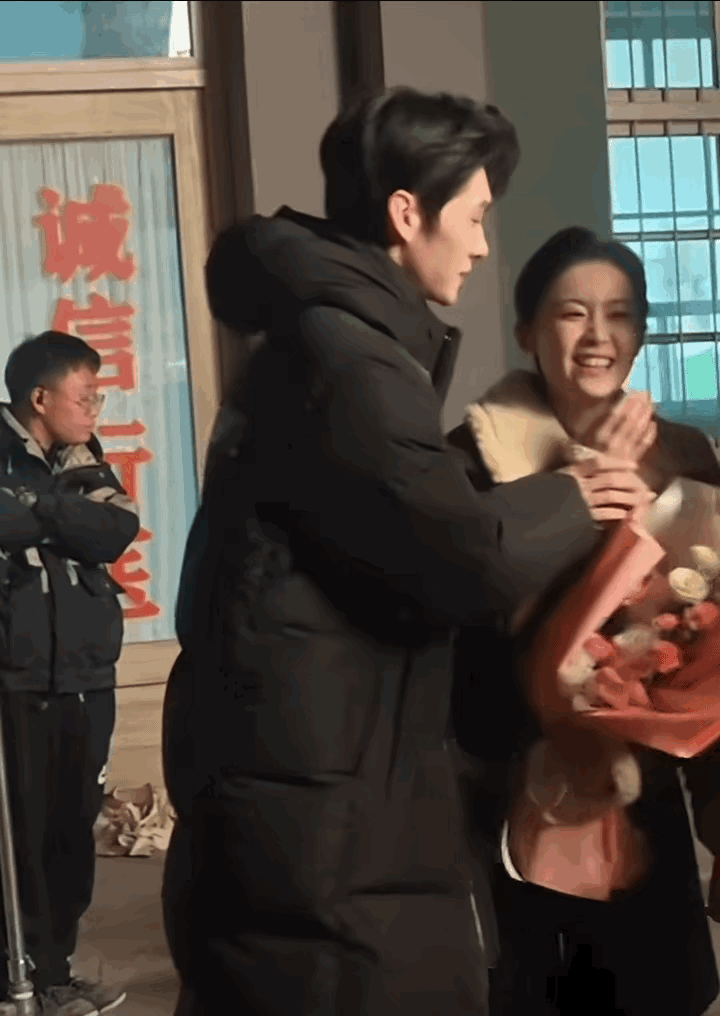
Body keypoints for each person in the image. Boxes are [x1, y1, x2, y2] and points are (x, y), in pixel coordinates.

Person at [161, 90, 653, 1016]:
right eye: (473, 216)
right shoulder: (347, 358)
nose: (480, 246)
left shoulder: (330, 340)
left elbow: (397, 527)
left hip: (328, 787)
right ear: (405, 213)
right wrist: (578, 497)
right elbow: (457, 556)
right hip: (325, 812)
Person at [448, 226, 720, 1016]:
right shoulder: (467, 464)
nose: (598, 335)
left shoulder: (688, 459)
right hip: (513, 805)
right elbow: (459, 656)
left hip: (649, 810)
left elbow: (707, 654)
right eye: (572, 313)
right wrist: (574, 506)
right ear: (527, 330)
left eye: (620, 314)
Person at [0, 332, 139, 1016]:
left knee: (69, 832)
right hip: (17, 681)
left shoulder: (86, 456)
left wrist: (43, 508)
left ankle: (55, 971)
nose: (95, 411)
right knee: (18, 840)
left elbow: (116, 530)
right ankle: (18, 976)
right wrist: (64, 513)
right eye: (85, 398)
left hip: (86, 677)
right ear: (39, 398)